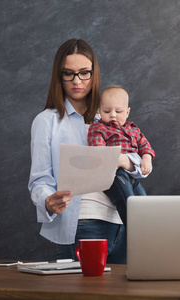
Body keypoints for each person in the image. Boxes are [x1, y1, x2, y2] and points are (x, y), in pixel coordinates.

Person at [28, 39, 140, 263]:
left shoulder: (110, 115)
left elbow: (139, 165)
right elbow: (39, 180)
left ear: (94, 74)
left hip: (124, 224)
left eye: (84, 73)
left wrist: (123, 160)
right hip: (83, 224)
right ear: (58, 76)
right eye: (68, 73)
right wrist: (47, 200)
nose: (76, 81)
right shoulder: (47, 121)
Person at [88, 86, 155, 227]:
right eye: (106, 111)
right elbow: (99, 152)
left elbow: (145, 147)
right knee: (127, 202)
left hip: (132, 178)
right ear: (99, 111)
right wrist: (115, 160)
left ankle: (149, 230)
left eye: (118, 111)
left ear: (127, 112)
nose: (113, 115)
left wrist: (146, 159)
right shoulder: (98, 129)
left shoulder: (133, 129)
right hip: (114, 174)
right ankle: (136, 231)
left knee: (144, 205)